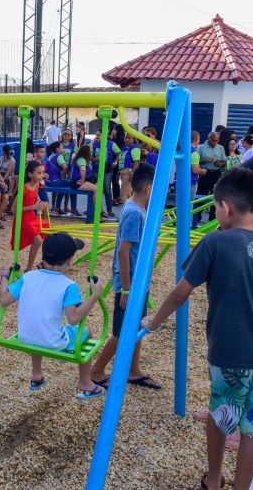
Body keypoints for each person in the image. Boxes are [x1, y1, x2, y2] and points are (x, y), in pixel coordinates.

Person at [144, 167, 253, 490]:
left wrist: (154, 322)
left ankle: (214, 479)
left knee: (222, 416)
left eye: (216, 207)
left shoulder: (215, 241)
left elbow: (180, 292)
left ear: (225, 208)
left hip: (229, 354)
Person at [0, 232, 106, 400]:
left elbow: (4, 300)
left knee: (39, 325)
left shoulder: (28, 277)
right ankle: (85, 382)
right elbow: (74, 318)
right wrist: (95, 295)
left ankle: (36, 374)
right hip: (54, 342)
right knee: (88, 333)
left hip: (26, 338)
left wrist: (5, 276)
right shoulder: (69, 286)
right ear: (70, 260)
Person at [91, 164, 160, 388]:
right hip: (129, 284)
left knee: (137, 325)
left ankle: (133, 370)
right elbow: (123, 251)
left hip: (138, 282)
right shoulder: (133, 213)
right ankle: (97, 371)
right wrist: (126, 289)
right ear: (149, 188)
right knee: (121, 332)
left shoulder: (138, 209)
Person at [11, 160, 48, 272]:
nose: (41, 175)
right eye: (39, 173)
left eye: (42, 172)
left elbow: (36, 199)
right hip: (23, 219)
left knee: (51, 232)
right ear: (30, 174)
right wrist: (34, 207)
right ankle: (29, 268)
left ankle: (45, 262)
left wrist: (42, 204)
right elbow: (13, 209)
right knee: (38, 240)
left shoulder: (36, 185)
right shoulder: (24, 188)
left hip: (31, 217)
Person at [197, 132, 227, 221]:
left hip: (216, 173)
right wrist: (207, 160)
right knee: (202, 194)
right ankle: (197, 216)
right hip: (205, 173)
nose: (215, 143)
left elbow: (224, 160)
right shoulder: (201, 147)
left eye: (216, 141)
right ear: (208, 139)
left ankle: (212, 217)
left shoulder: (220, 148)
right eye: (213, 141)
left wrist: (220, 163)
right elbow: (196, 161)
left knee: (215, 196)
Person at [190, 130, 208, 229]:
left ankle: (176, 225)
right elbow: (195, 170)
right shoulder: (194, 153)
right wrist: (203, 171)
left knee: (179, 205)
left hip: (178, 181)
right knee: (188, 205)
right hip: (190, 182)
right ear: (197, 140)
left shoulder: (183, 150)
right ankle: (183, 227)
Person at [46, 141, 69, 215]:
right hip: (55, 181)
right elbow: (65, 167)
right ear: (57, 149)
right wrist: (63, 176)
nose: (63, 147)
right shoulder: (59, 156)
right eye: (61, 146)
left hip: (48, 181)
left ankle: (57, 207)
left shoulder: (51, 156)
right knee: (72, 183)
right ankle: (59, 207)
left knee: (64, 186)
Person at [117, 133, 141, 201]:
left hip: (128, 174)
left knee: (123, 195)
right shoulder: (125, 147)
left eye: (129, 138)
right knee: (128, 195)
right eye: (126, 137)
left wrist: (132, 174)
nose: (126, 139)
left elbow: (136, 162)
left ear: (133, 139)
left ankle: (126, 211)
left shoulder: (134, 148)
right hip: (123, 173)